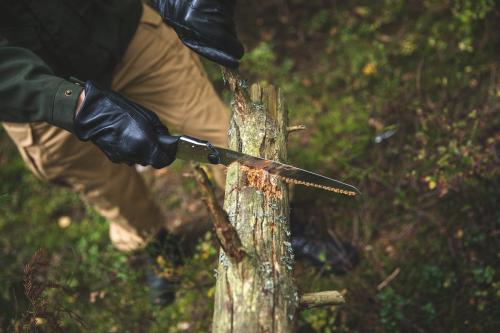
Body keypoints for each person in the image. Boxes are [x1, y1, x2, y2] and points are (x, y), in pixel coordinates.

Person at [1, 0, 357, 306]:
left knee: (225, 138)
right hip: (38, 93)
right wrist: (71, 105)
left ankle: (284, 225)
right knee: (110, 190)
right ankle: (160, 250)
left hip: (126, 36)